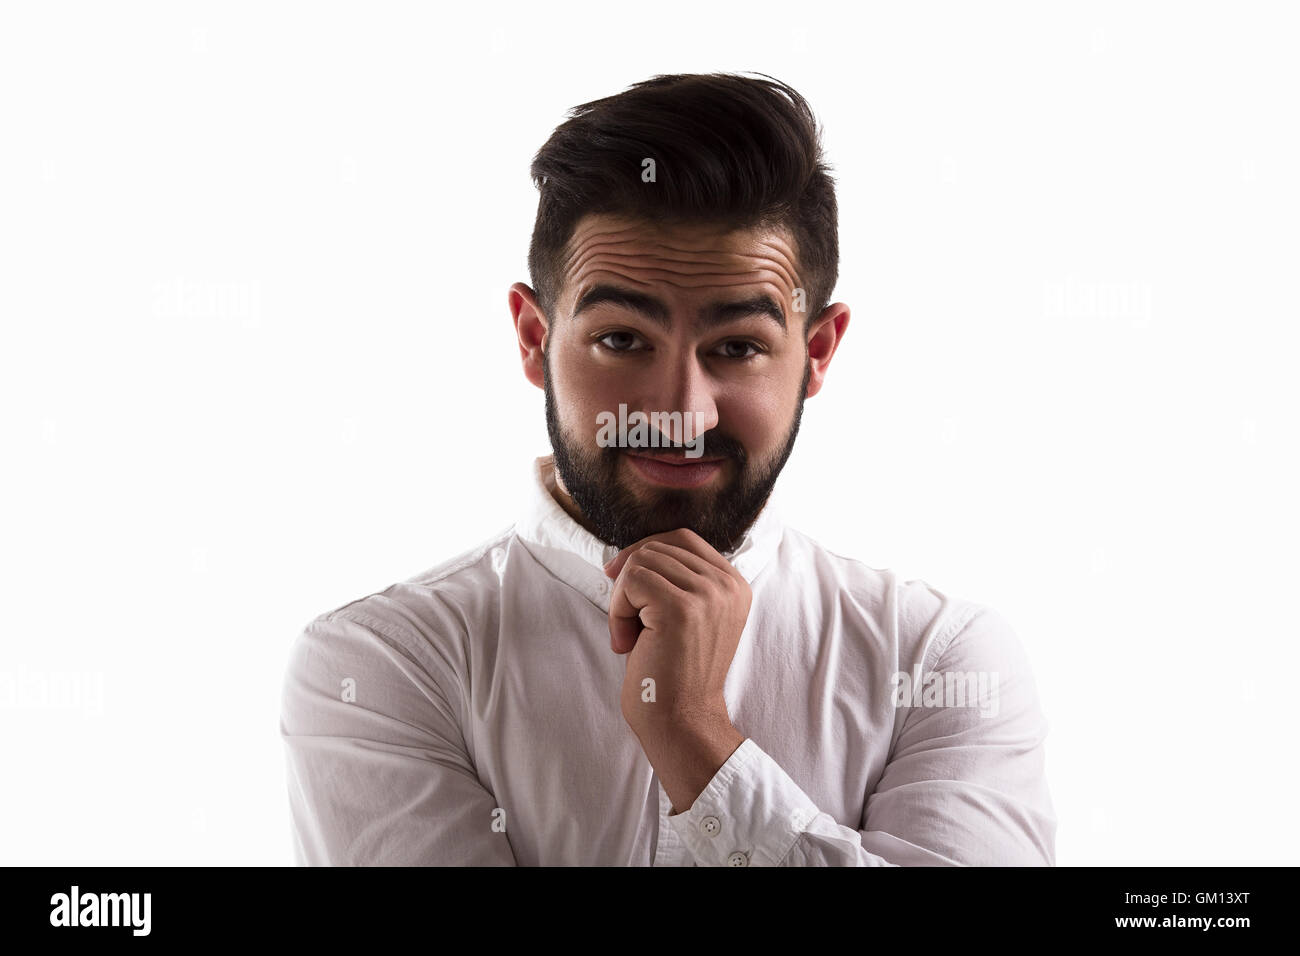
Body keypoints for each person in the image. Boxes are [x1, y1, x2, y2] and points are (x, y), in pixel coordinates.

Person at [279, 72, 1057, 866]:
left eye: (737, 347)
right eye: (622, 340)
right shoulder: (382, 663)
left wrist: (696, 738)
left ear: (816, 352)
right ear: (533, 338)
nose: (682, 410)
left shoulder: (939, 659)